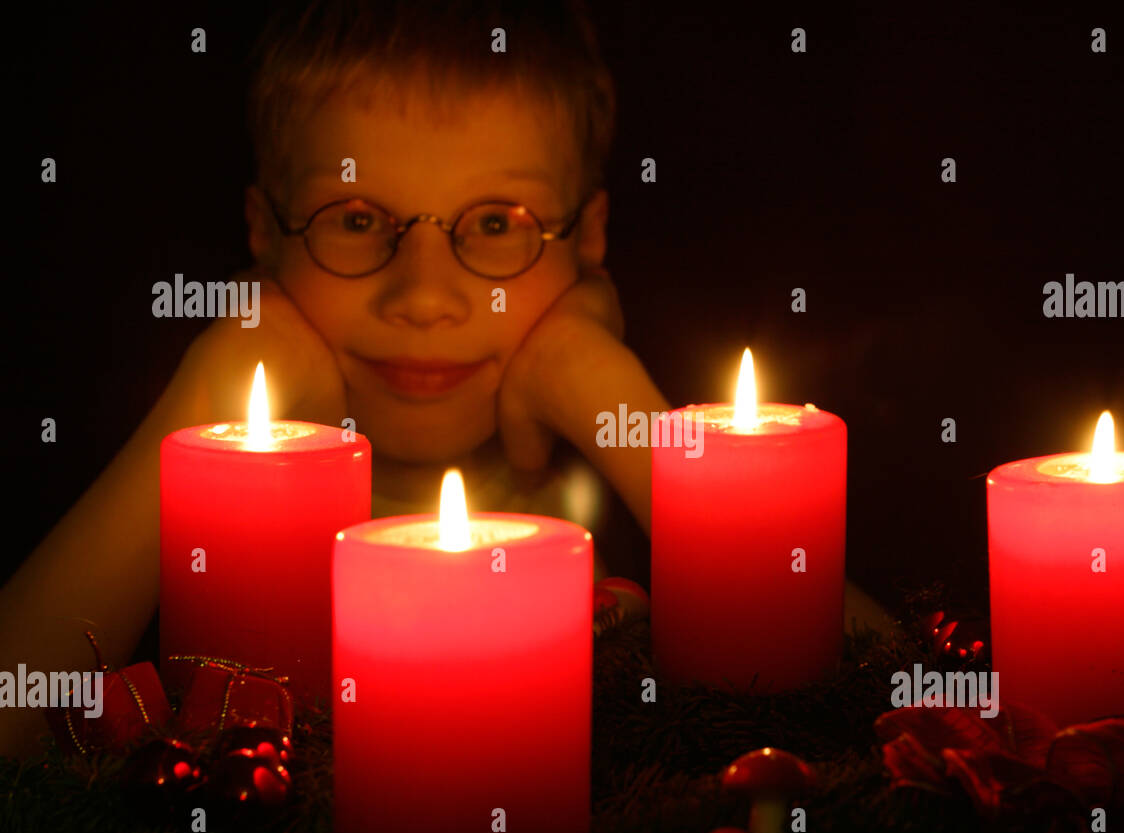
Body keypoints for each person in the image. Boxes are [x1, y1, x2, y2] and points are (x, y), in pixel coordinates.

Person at [0, 0, 893, 759]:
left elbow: (901, 707)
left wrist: (606, 396)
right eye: (355, 218)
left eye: (497, 224)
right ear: (265, 234)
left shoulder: (599, 453)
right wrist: (209, 394)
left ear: (586, 242)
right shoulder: (212, 487)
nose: (425, 297)